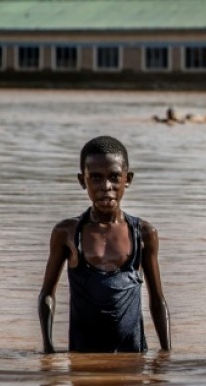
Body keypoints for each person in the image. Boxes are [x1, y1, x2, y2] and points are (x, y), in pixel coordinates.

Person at [38, 135, 171, 354]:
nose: (106, 187)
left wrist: (166, 355)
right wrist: (48, 351)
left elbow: (157, 300)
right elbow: (47, 294)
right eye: (96, 178)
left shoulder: (144, 233)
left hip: (133, 357)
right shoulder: (67, 233)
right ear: (83, 181)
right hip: (82, 358)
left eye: (114, 177)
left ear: (128, 179)